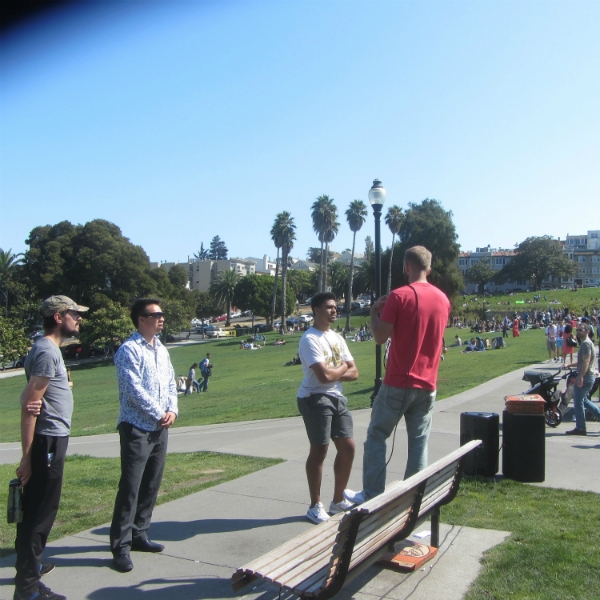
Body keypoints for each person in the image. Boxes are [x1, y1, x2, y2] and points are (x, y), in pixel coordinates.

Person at [344, 246, 450, 505]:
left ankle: (372, 494)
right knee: (419, 442)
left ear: (406, 267)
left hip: (399, 382)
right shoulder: (443, 299)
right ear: (429, 267)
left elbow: (380, 337)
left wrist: (373, 313)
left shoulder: (400, 296)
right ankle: (414, 497)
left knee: (377, 436)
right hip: (428, 384)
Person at [14, 295, 88, 600]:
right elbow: (30, 407)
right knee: (38, 517)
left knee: (36, 515)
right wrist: (28, 457)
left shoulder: (45, 350)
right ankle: (28, 592)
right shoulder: (46, 351)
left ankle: (29, 581)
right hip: (47, 441)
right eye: (74, 313)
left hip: (51, 439)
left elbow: (25, 398)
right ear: (58, 317)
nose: (79, 318)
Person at [110, 298, 178, 573]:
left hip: (160, 427)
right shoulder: (129, 350)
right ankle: (120, 547)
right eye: (156, 315)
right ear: (141, 319)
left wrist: (172, 409)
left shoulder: (161, 349)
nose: (162, 318)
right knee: (130, 487)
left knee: (151, 484)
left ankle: (140, 534)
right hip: (137, 427)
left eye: (162, 314)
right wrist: (158, 412)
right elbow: (132, 389)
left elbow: (172, 382)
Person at [297, 292, 359, 523]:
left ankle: (338, 500)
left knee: (348, 447)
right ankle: (315, 505)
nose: (334, 311)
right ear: (315, 310)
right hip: (314, 398)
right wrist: (342, 368)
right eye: (329, 307)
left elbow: (355, 373)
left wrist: (338, 370)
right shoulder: (309, 339)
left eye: (336, 307)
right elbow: (323, 377)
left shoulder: (337, 338)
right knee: (320, 450)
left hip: (337, 398)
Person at [565, 322, 600, 436]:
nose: (578, 331)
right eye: (578, 329)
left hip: (585, 376)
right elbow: (582, 362)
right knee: (584, 401)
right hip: (587, 376)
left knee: (578, 402)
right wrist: (569, 365)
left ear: (587, 331)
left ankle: (581, 427)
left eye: (581, 330)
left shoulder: (586, 344)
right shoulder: (586, 343)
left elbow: (586, 361)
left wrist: (580, 377)